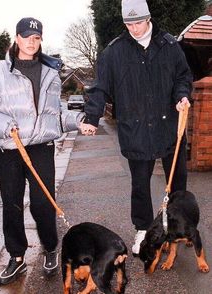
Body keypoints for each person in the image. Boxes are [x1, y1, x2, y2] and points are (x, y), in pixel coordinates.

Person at [0, 17, 84, 285]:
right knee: (11, 205)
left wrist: (78, 122)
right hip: (10, 148)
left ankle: (50, 248)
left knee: (42, 204)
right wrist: (3, 125)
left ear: (40, 40)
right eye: (26, 36)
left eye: (36, 38)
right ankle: (16, 257)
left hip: (40, 148)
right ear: (16, 38)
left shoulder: (50, 73)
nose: (31, 42)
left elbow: (54, 115)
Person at [80, 0, 192, 255]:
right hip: (136, 130)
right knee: (140, 185)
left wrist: (182, 95)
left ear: (149, 18)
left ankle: (175, 227)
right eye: (129, 24)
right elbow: (100, 87)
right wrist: (91, 117)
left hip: (170, 127)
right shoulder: (114, 52)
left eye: (138, 22)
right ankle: (143, 229)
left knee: (177, 183)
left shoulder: (169, 45)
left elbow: (183, 77)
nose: (134, 28)